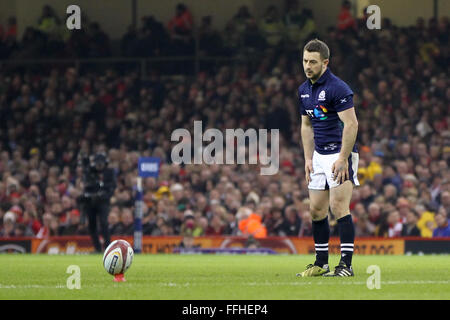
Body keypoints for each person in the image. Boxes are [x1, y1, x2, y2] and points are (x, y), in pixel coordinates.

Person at [297, 39, 359, 277]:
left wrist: (343, 158)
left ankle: (346, 265)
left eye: (312, 62)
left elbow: (351, 123)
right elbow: (306, 126)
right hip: (318, 155)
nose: (307, 66)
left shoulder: (338, 88)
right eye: (305, 61)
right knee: (316, 210)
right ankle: (321, 262)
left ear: (325, 62)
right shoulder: (303, 90)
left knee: (338, 206)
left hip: (339, 154)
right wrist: (307, 158)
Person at [78, 152, 116, 252]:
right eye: (97, 164)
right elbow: (87, 185)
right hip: (90, 201)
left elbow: (112, 187)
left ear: (105, 163)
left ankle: (108, 247)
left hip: (103, 201)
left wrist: (103, 193)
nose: (99, 166)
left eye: (101, 164)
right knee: (92, 225)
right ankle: (97, 248)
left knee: (104, 223)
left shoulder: (109, 172)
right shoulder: (90, 171)